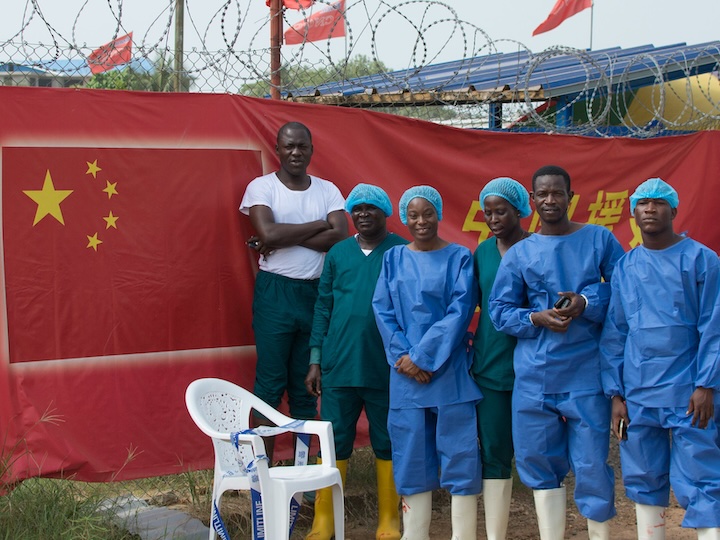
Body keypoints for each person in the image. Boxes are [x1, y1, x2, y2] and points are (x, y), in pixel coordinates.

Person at [488, 165, 624, 540]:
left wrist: (585, 300)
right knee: (537, 458)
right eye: (542, 194)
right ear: (531, 201)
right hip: (536, 375)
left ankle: (599, 534)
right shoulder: (520, 254)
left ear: (570, 196)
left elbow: (625, 288)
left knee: (592, 461)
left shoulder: (599, 239)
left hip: (585, 374)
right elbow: (499, 311)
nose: (550, 200)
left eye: (557, 193)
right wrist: (536, 317)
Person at [600, 178, 720, 540]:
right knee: (642, 476)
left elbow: (714, 324)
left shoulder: (702, 260)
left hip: (688, 392)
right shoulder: (626, 267)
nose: (650, 209)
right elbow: (616, 333)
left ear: (674, 210)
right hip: (638, 392)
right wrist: (616, 395)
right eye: (643, 203)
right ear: (633, 212)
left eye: (658, 203)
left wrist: (706, 384)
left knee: (702, 476)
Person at [372, 185, 483, 540]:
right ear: (405, 218)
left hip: (448, 372)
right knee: (410, 458)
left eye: (427, 213)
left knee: (460, 457)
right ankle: (414, 534)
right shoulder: (393, 259)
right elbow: (383, 310)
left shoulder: (460, 258)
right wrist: (403, 358)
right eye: (413, 215)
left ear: (439, 214)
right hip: (406, 376)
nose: (421, 221)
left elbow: (459, 311)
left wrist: (420, 358)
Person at [304, 183, 407, 540]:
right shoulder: (338, 253)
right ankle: (324, 521)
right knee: (333, 441)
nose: (363, 214)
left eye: (371, 208)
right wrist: (316, 359)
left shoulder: (401, 251)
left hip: (385, 365)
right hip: (339, 363)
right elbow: (323, 306)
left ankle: (389, 521)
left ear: (385, 213)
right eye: (357, 208)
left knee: (387, 440)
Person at [239, 122, 348, 438]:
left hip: (315, 293)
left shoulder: (327, 189)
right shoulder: (262, 187)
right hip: (276, 292)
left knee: (307, 384)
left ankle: (305, 474)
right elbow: (268, 233)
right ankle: (263, 473)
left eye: (302, 146)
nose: (296, 152)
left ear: (312, 149)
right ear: (277, 150)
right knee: (269, 384)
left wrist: (283, 235)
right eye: (289, 146)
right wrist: (317, 224)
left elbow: (339, 237)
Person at [472, 177, 532, 540]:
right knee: (493, 451)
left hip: (535, 368)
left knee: (539, 454)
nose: (494, 218)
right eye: (488, 212)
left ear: (520, 210)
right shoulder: (481, 253)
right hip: (490, 366)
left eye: (502, 211)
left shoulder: (538, 247)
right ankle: (496, 533)